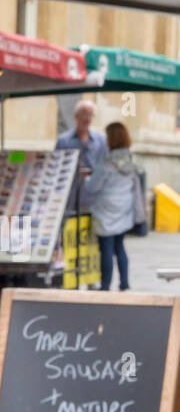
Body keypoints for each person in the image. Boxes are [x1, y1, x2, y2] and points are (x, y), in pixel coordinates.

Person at [80, 121, 144, 292]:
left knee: (106, 248)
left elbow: (93, 187)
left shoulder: (105, 164)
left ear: (111, 139)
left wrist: (86, 177)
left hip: (105, 211)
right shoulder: (129, 162)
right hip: (124, 210)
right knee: (120, 246)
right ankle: (124, 283)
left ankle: (105, 285)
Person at [55, 100, 108, 206]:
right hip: (70, 196)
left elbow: (105, 166)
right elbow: (56, 165)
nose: (87, 118)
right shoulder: (63, 140)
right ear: (76, 115)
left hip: (94, 198)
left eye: (90, 115)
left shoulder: (101, 140)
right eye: (85, 114)